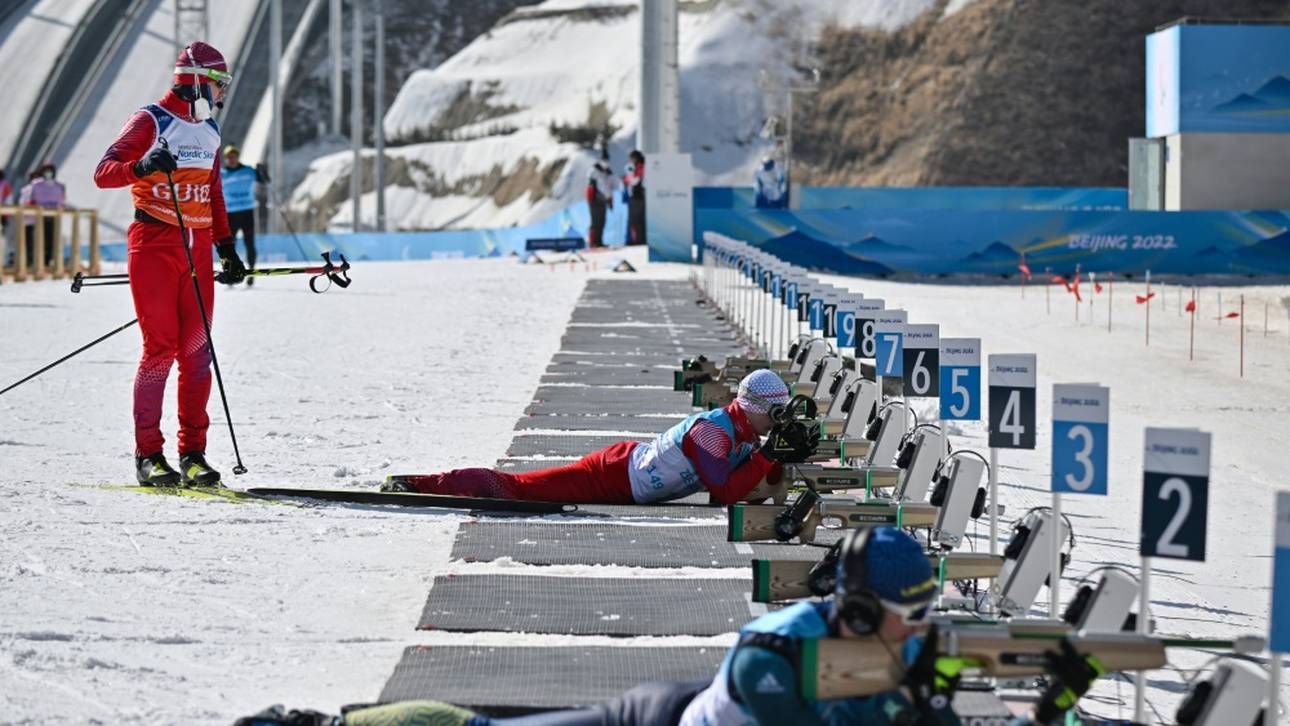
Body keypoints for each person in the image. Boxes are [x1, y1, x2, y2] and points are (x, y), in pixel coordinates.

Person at [93, 41, 247, 487]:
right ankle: (148, 454)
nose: (221, 94)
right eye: (218, 84)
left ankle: (192, 453)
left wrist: (227, 248)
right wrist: (141, 166)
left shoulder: (211, 130)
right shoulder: (151, 120)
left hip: (197, 249)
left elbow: (214, 195)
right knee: (159, 350)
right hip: (155, 245)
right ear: (197, 80)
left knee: (197, 354)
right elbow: (104, 172)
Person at [386, 369, 798, 504]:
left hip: (628, 472)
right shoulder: (713, 433)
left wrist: (781, 456)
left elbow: (750, 489)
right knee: (516, 490)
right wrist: (770, 455)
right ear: (757, 409)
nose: (777, 424)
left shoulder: (744, 432)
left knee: (522, 490)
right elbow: (724, 493)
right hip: (612, 475)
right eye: (776, 415)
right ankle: (419, 485)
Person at [220, 144, 267, 286]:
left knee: (249, 244)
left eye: (234, 156)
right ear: (226, 158)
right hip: (230, 214)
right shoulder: (220, 173)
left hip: (247, 212)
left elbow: (265, 181)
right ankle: (229, 273)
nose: (232, 159)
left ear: (238, 157)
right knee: (229, 246)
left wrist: (262, 171)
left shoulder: (248, 171)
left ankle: (251, 273)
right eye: (229, 157)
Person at [21, 162, 66, 268]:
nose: (48, 173)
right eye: (46, 170)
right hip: (38, 217)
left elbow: (62, 200)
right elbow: (30, 200)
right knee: (37, 240)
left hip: (53, 216)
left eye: (50, 170)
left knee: (51, 239)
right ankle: (34, 262)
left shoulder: (59, 186)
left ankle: (47, 261)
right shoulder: (36, 185)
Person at [586, 151, 616, 248]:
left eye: (607, 160)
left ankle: (599, 241)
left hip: (603, 200)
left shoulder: (605, 171)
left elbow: (610, 186)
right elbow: (602, 186)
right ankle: (593, 242)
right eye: (604, 160)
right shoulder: (594, 170)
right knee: (595, 221)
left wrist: (609, 199)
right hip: (595, 199)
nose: (606, 162)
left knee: (602, 221)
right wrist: (608, 197)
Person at [623, 149, 646, 246]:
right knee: (641, 220)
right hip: (643, 195)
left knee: (634, 220)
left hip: (636, 196)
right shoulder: (644, 165)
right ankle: (641, 239)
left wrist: (626, 179)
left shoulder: (635, 166)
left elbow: (633, 180)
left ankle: (634, 240)